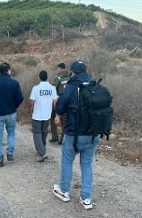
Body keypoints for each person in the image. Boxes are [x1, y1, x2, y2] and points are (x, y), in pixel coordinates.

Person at [52, 61, 99, 211]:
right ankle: (86, 198)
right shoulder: (94, 85)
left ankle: (64, 190)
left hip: (74, 133)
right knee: (86, 164)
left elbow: (60, 107)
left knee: (67, 160)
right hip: (93, 133)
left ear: (72, 72)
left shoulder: (72, 87)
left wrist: (58, 108)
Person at [0, 62, 24, 167]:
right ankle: (10, 152)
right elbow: (20, 97)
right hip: (11, 113)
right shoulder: (14, 83)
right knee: (11, 133)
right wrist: (14, 106)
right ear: (8, 70)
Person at [28, 70, 58, 162]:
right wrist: (56, 114)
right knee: (44, 133)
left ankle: (42, 152)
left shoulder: (36, 88)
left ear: (39, 77)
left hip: (37, 115)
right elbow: (55, 102)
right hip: (47, 115)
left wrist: (30, 110)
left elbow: (31, 102)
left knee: (37, 133)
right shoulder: (52, 88)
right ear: (47, 77)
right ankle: (42, 149)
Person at [50, 62, 70, 144]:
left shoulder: (57, 78)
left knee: (52, 117)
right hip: (67, 102)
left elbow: (53, 89)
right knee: (64, 121)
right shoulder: (69, 78)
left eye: (57, 68)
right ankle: (63, 139)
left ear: (61, 69)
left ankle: (55, 137)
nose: (57, 70)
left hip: (58, 101)